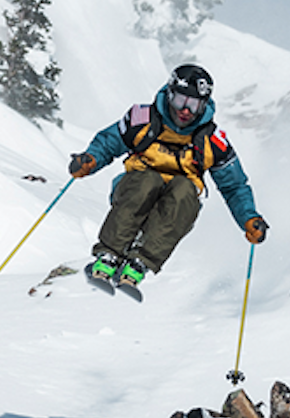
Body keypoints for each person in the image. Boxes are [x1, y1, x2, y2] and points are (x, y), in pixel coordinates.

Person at [68, 63, 268, 289]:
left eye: (194, 104)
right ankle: (109, 255)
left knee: (185, 189)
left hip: (177, 206)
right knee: (148, 180)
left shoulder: (212, 140)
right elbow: (109, 142)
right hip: (134, 189)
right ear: (170, 94)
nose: (186, 110)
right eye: (181, 101)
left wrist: (249, 218)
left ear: (203, 105)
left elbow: (234, 186)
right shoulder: (143, 118)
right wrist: (90, 160)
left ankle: (140, 263)